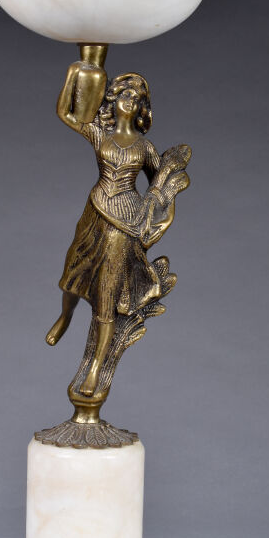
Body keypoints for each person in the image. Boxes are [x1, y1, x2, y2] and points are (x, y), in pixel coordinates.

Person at [46, 58, 190, 397]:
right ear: (113, 100)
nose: (129, 100)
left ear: (141, 109)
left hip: (124, 222)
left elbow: (161, 185)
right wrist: (74, 73)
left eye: (136, 98)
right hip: (95, 212)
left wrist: (157, 216)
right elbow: (66, 114)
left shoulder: (144, 147)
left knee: (107, 297)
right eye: (124, 94)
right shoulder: (101, 134)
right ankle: (65, 315)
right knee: (73, 271)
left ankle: (96, 368)